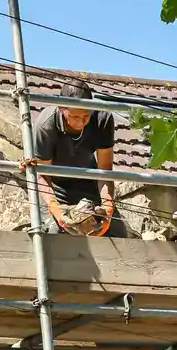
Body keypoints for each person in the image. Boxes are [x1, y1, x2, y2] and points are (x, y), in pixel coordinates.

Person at [33, 79, 126, 236]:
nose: (82, 122)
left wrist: (108, 210)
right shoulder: (46, 125)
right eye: (76, 116)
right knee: (53, 232)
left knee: (117, 231)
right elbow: (42, 176)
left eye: (86, 116)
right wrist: (59, 214)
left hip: (88, 182)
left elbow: (105, 171)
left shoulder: (102, 118)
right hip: (55, 187)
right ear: (62, 108)